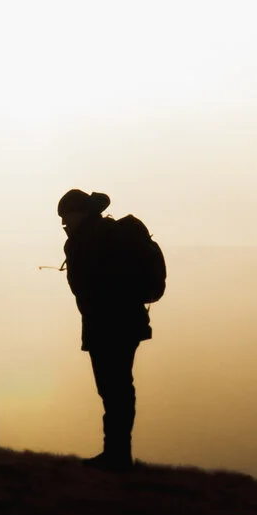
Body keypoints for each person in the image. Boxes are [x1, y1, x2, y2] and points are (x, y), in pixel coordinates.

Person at [56, 188, 164, 469]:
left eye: (66, 216)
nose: (63, 223)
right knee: (118, 389)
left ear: (80, 213)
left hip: (109, 326)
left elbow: (86, 286)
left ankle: (116, 456)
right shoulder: (104, 233)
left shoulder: (91, 240)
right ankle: (117, 454)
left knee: (114, 390)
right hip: (124, 323)